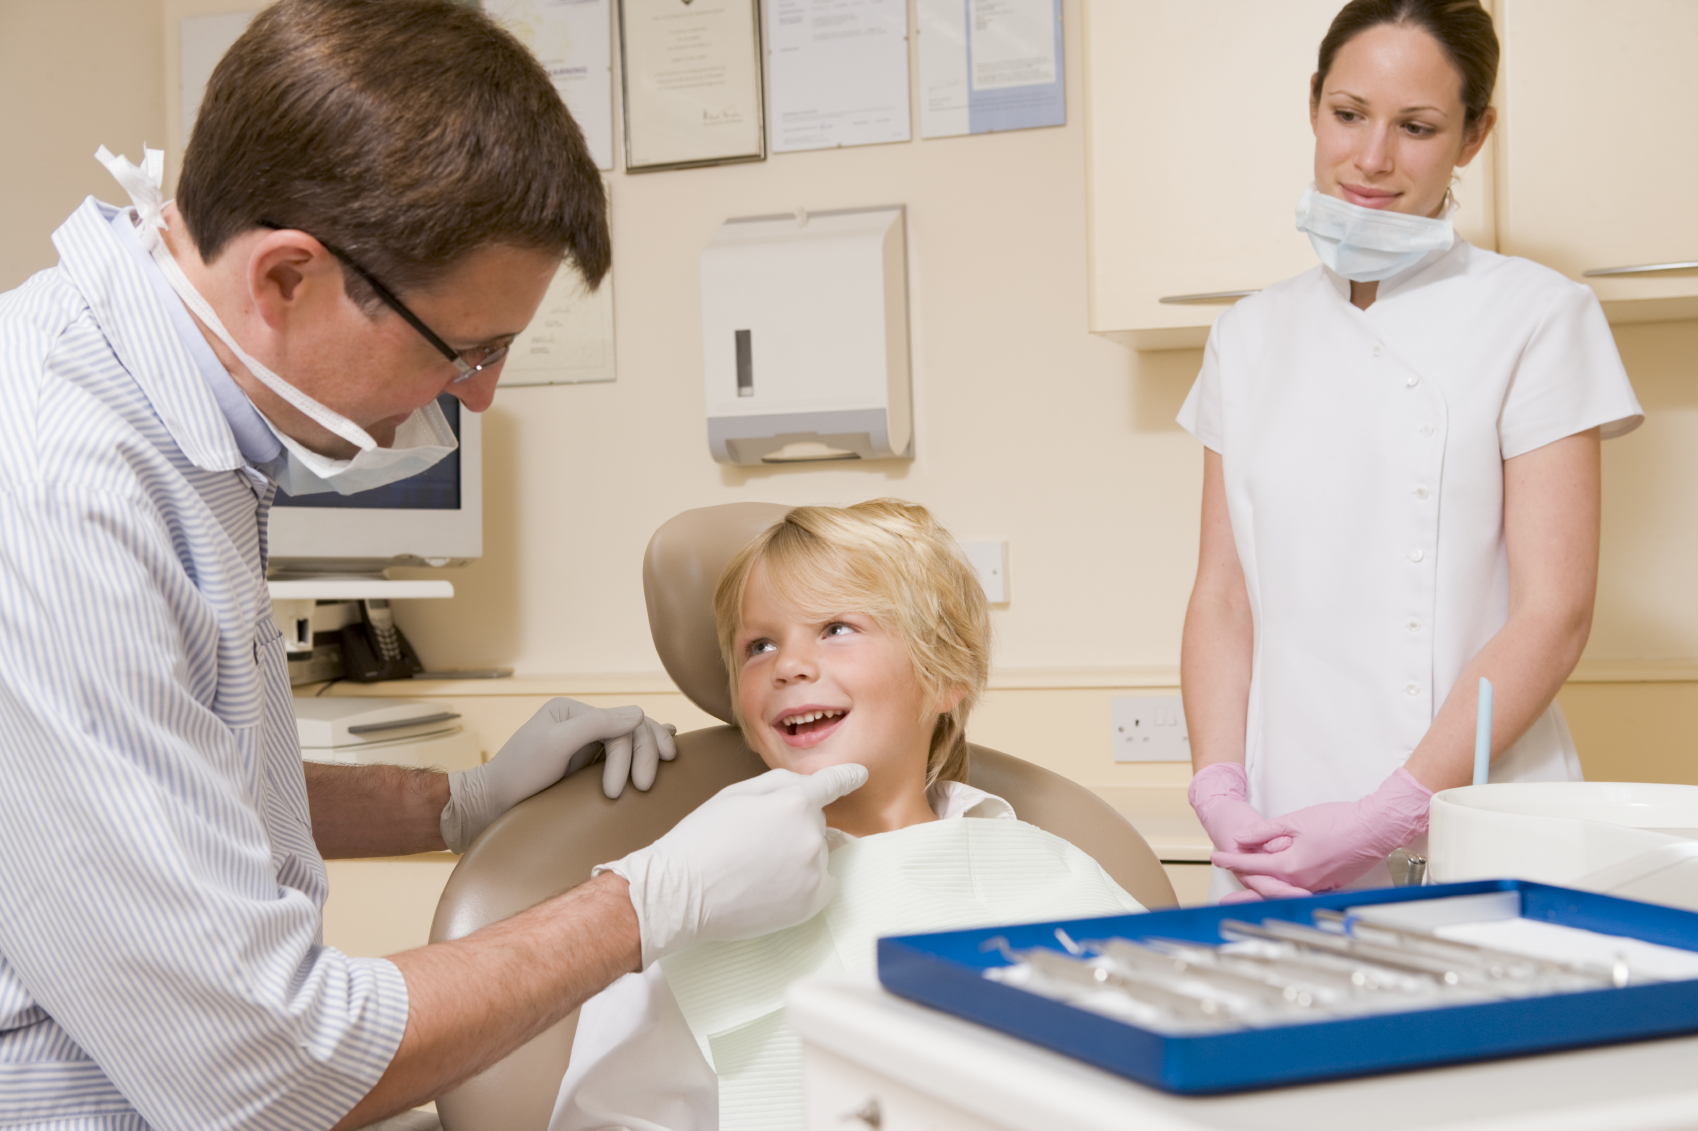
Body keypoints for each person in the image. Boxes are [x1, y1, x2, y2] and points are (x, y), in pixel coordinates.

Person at [0, 2, 864, 1128]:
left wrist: (451, 805)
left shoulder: (177, 409)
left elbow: (155, 791)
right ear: (287, 280)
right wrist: (649, 903)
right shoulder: (66, 494)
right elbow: (260, 1069)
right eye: (467, 349)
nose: (481, 396)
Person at [1179, 0, 1643, 903]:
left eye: (1418, 127)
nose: (1372, 157)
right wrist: (1219, 784)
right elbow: (1223, 596)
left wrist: (1394, 812)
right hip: (1280, 828)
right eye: (1348, 114)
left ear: (1474, 137)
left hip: (1476, 815)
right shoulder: (1246, 334)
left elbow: (1554, 613)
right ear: (1313, 105)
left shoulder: (1538, 317)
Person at [551, 500, 1146, 1131]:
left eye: (836, 627)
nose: (788, 665)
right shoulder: (688, 909)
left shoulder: (1055, 873)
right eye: (759, 645)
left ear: (944, 673)